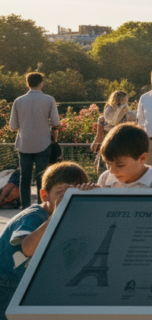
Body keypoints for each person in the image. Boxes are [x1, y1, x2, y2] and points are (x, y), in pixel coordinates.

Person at [0, 162, 90, 319]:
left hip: (27, 289)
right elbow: (28, 248)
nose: (69, 200)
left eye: (74, 194)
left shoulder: (67, 220)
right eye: (63, 194)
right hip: (7, 288)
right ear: (44, 195)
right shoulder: (34, 215)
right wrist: (58, 212)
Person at [8, 72, 61, 206]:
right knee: (41, 178)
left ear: (27, 83)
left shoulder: (18, 101)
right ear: (41, 83)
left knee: (24, 178)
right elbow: (56, 122)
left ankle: (25, 208)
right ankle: (41, 206)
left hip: (24, 144)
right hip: (43, 143)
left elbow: (13, 126)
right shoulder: (49, 100)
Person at [97, 124, 152, 188]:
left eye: (119, 165)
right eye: (108, 164)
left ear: (142, 158)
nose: (112, 171)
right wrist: (92, 193)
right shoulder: (106, 178)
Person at [90, 90, 136, 174]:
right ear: (125, 100)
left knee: (107, 173)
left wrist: (94, 146)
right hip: (124, 148)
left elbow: (99, 137)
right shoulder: (129, 116)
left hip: (107, 147)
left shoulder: (102, 119)